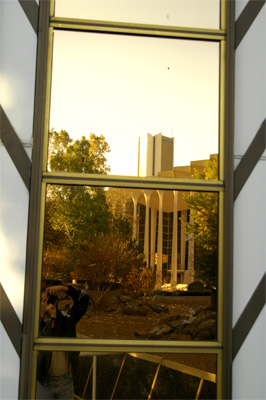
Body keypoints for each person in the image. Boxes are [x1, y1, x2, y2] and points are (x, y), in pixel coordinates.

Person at [36, 282, 90, 399]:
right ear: (38, 303)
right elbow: (45, 338)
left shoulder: (65, 319)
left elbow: (84, 300)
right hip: (43, 382)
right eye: (45, 301)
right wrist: (52, 318)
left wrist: (65, 289)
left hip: (66, 380)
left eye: (51, 299)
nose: (49, 303)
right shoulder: (34, 323)